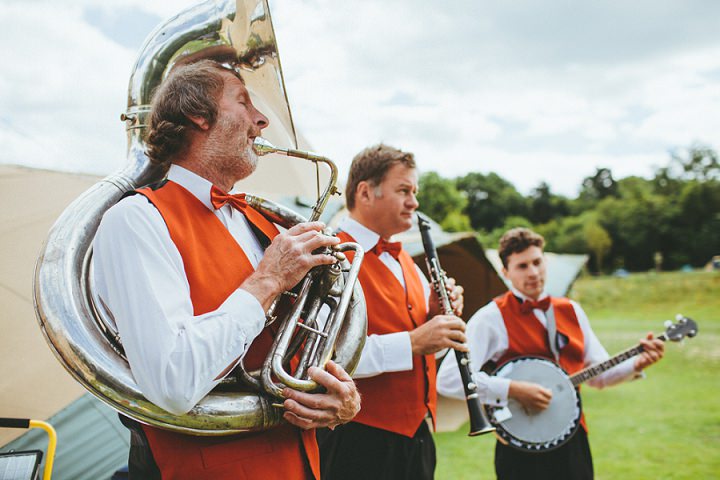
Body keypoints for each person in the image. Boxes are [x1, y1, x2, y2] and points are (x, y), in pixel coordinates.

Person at [92, 59, 360, 480]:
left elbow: (306, 342)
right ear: (198, 115)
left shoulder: (259, 220)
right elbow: (173, 381)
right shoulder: (136, 219)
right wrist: (268, 280)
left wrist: (338, 397)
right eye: (243, 101)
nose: (261, 120)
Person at [436, 227, 665, 480]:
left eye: (537, 262)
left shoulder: (572, 311)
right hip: (519, 446)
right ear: (505, 272)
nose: (533, 272)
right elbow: (449, 379)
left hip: (572, 439)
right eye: (522, 266)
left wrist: (638, 363)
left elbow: (599, 375)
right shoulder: (490, 317)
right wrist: (513, 389)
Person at [317, 144, 467, 480]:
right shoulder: (331, 257)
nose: (414, 202)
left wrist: (438, 324)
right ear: (366, 192)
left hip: (417, 436)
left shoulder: (408, 264)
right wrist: (414, 341)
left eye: (414, 191)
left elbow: (429, 353)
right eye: (404, 190)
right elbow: (325, 357)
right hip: (355, 438)